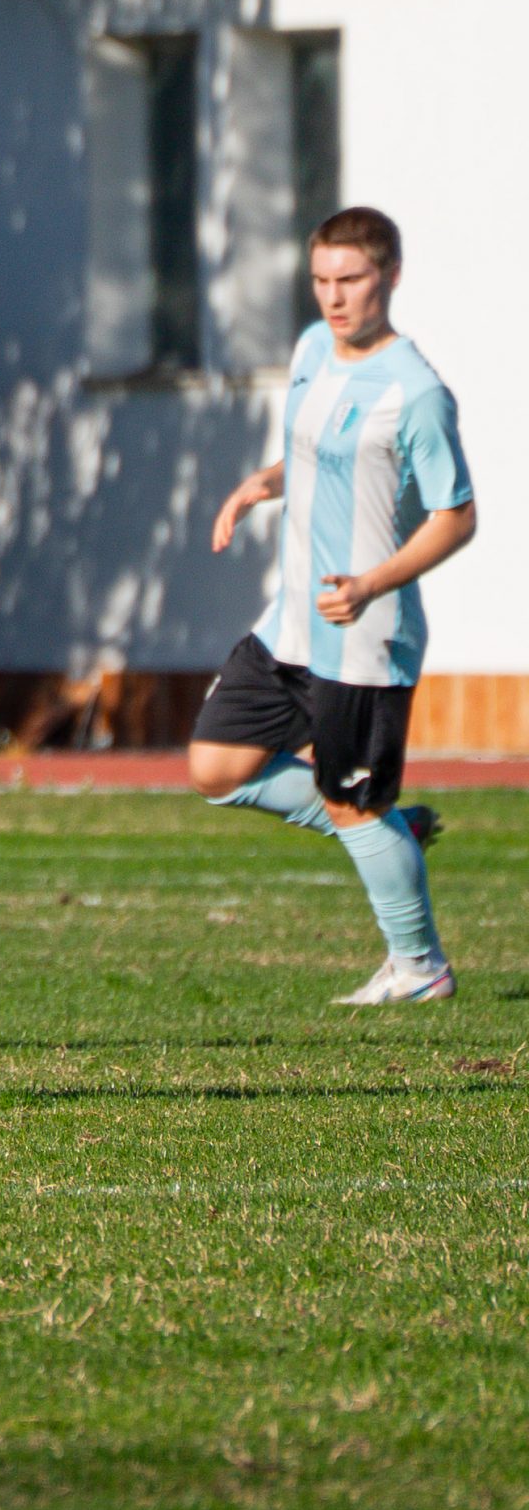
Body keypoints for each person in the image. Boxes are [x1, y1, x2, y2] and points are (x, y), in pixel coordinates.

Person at [189, 207, 476, 1003]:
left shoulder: (417, 393)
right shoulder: (314, 348)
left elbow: (457, 516)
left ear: (391, 276)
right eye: (321, 280)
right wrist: (261, 483)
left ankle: (419, 968)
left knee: (349, 802)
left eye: (350, 279)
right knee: (216, 767)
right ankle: (387, 826)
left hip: (364, 636)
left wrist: (371, 584)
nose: (334, 297)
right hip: (289, 624)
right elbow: (316, 448)